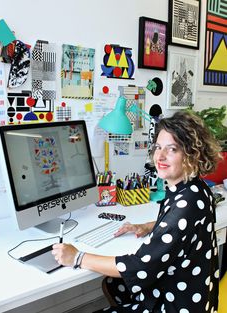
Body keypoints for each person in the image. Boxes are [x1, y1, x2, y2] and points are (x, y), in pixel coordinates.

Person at [52, 111, 221, 313]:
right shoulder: (195, 188)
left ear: (193, 154)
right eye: (158, 147)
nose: (160, 156)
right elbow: (184, 229)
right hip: (194, 296)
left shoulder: (187, 203)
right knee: (113, 283)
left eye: (172, 149)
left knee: (117, 280)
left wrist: (77, 257)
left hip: (175, 305)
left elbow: (138, 267)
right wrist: (150, 226)